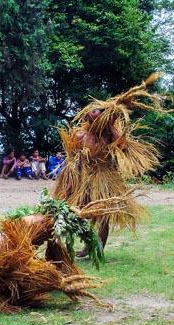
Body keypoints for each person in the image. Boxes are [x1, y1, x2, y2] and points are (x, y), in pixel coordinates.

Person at [54, 75, 164, 256]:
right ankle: (85, 245)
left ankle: (98, 249)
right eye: (93, 114)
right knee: (81, 212)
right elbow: (72, 160)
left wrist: (112, 126)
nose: (95, 117)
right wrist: (68, 183)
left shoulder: (110, 134)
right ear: (89, 118)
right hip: (85, 178)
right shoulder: (81, 135)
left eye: (99, 115)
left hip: (106, 178)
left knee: (104, 215)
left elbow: (124, 147)